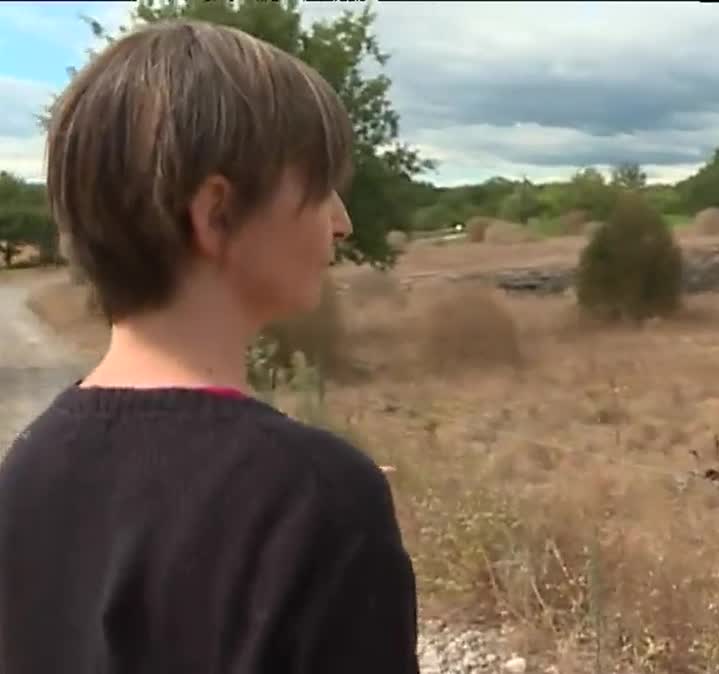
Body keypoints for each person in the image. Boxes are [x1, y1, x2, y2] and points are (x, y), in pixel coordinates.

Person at [0, 19, 419, 674]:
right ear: (217, 211)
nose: (342, 222)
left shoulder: (28, 468)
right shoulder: (315, 500)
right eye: (319, 188)